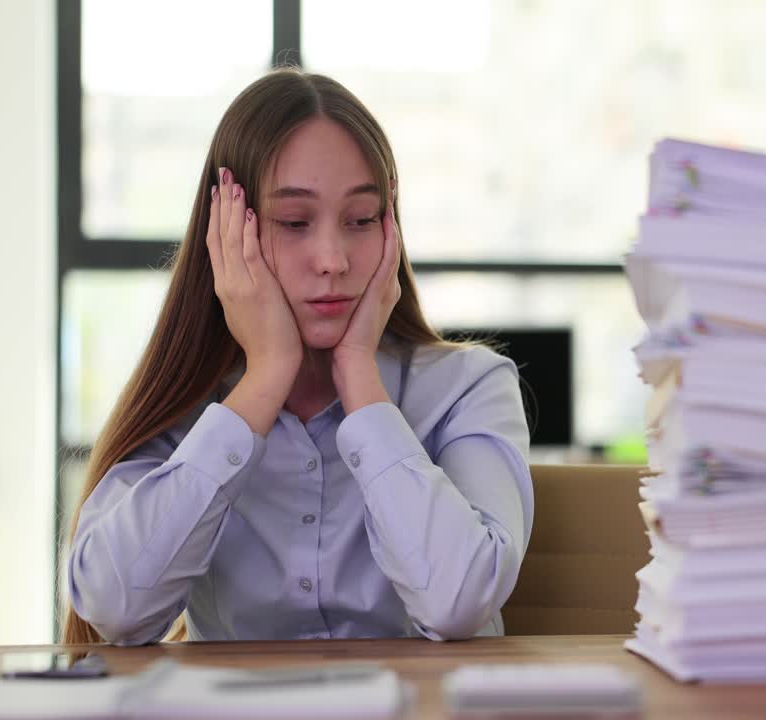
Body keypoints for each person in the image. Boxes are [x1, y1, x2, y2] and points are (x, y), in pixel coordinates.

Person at [63, 68, 534, 646]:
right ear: (227, 232)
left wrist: (360, 375)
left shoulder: (469, 386)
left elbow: (459, 604)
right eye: (293, 222)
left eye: (361, 220)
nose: (333, 259)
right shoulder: (189, 402)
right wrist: (264, 379)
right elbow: (113, 609)